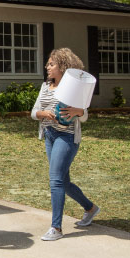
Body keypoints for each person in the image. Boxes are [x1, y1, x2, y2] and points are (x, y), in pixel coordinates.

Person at [32, 48, 101, 241]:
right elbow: (33, 111)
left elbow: (84, 115)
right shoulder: (46, 86)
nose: (47, 67)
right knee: (64, 182)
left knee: (55, 180)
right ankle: (91, 208)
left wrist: (77, 111)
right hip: (50, 136)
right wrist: (44, 114)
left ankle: (56, 228)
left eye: (51, 64)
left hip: (67, 137)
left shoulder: (74, 88)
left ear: (62, 66)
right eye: (48, 64)